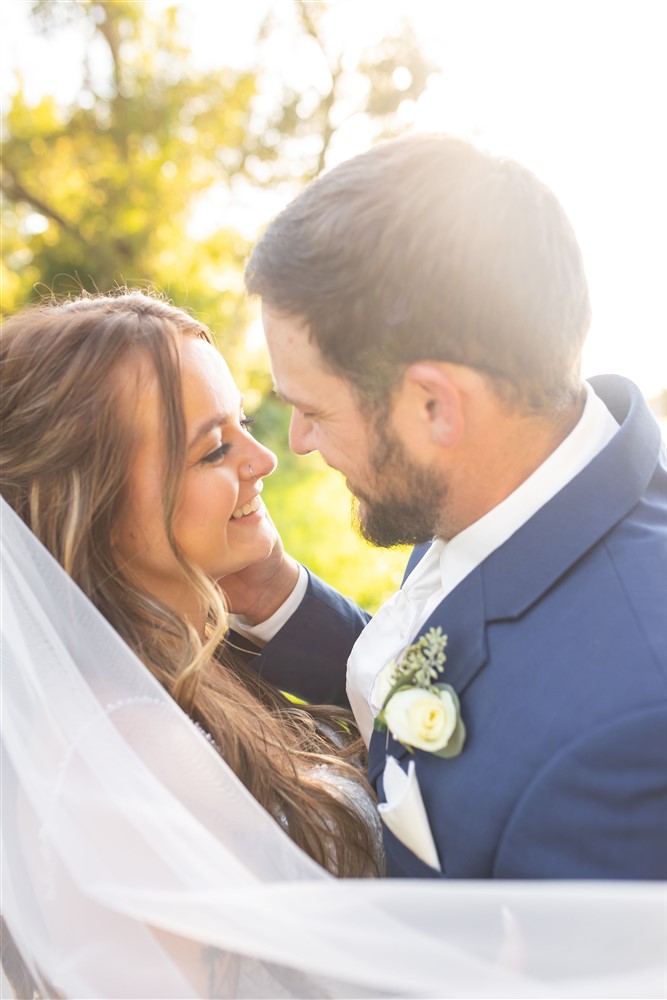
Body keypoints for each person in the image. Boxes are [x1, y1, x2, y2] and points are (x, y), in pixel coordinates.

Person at [239, 133, 667, 881]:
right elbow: (459, 666)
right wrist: (273, 596)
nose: (297, 442)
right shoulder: (503, 488)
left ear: (435, 404)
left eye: (315, 410)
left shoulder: (632, 728)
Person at [0, 290, 383, 883]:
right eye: (214, 450)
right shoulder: (130, 758)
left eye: (245, 424)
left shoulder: (199, 662)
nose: (263, 459)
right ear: (100, 507)